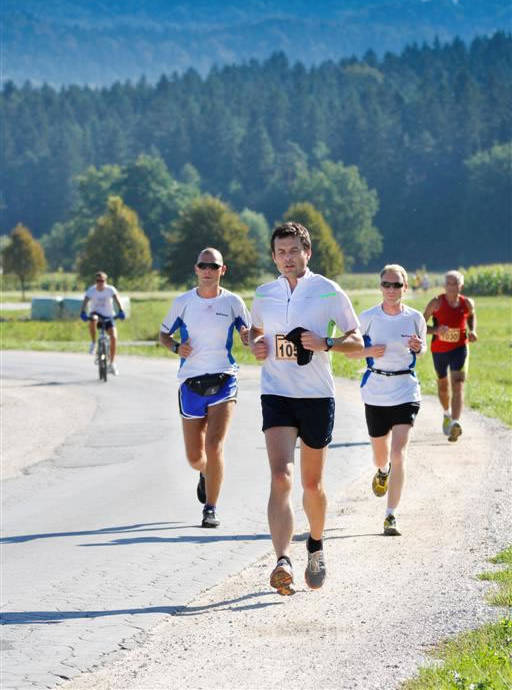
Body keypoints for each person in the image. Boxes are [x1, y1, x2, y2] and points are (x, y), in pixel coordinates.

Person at [249, 222, 363, 596]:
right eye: (281, 252)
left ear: (307, 253)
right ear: (273, 257)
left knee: (312, 484)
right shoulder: (264, 294)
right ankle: (282, 560)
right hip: (276, 394)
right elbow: (255, 331)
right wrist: (255, 345)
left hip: (316, 397)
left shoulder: (327, 290)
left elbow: (357, 341)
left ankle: (315, 545)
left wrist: (326, 342)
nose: (287, 258)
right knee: (280, 476)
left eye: (294, 251)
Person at [159, 248, 250, 529]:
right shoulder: (183, 302)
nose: (208, 270)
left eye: (214, 266)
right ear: (196, 269)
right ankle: (205, 473)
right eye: (203, 265)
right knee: (195, 457)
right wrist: (176, 347)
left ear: (223, 270)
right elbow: (163, 335)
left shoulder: (233, 302)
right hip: (191, 382)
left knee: (214, 446)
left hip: (224, 379)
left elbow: (250, 334)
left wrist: (248, 336)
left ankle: (211, 508)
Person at [349, 264, 427, 537]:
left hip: (406, 390)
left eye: (397, 285)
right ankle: (383, 471)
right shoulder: (368, 318)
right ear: (380, 287)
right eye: (386, 284)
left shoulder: (415, 317)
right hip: (376, 391)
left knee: (398, 453)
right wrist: (368, 351)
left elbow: (422, 349)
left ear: (405, 287)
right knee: (381, 456)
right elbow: (350, 352)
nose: (391, 289)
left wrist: (419, 347)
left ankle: (390, 515)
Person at [423, 270, 477, 442]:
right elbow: (421, 325)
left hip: (460, 348)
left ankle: (455, 423)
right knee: (443, 387)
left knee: (458, 384)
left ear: (461, 286)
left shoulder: (467, 303)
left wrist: (472, 330)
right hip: (439, 350)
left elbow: (471, 316)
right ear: (444, 285)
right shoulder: (436, 303)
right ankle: (447, 414)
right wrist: (436, 330)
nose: (452, 287)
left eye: (455, 283)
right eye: (449, 283)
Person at [80, 271, 125, 375]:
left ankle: (112, 363)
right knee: (93, 319)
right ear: (95, 282)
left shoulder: (110, 290)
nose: (100, 283)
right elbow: (85, 302)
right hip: (96, 314)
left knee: (113, 336)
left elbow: (117, 299)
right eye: (98, 281)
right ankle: (93, 342)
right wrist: (82, 312)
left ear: (105, 281)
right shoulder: (91, 291)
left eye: (102, 281)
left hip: (108, 315)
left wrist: (121, 310)